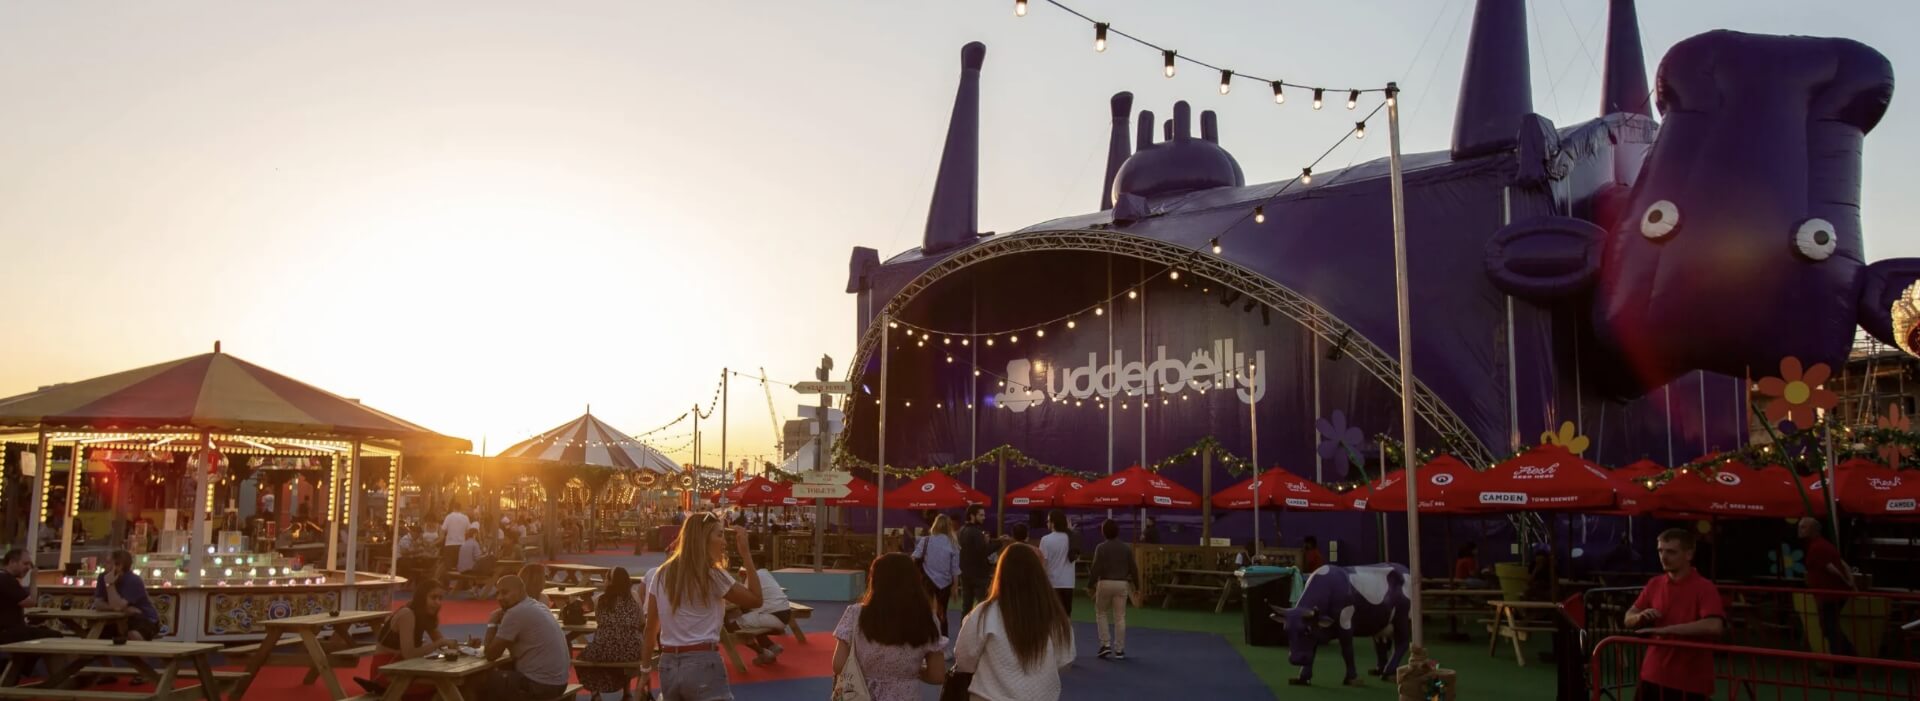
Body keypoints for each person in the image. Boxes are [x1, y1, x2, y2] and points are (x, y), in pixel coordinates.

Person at [641, 513, 763, 701]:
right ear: (704, 539)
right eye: (719, 535)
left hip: (668, 664)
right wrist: (746, 555)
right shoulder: (711, 575)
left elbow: (650, 628)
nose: (724, 542)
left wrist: (645, 669)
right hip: (702, 661)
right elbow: (756, 599)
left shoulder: (660, 574)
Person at [953, 544, 1075, 701]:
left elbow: (964, 659)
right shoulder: (1055, 616)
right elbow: (1065, 659)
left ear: (1001, 574)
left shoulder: (985, 613)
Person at [1624, 528, 1726, 701]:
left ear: (1688, 554)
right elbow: (1628, 617)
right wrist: (1639, 618)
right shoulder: (1655, 583)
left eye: (1671, 552)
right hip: (1652, 674)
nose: (1663, 557)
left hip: (1689, 679)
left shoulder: (1704, 587)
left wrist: (1667, 630)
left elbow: (1714, 625)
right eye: (1660, 551)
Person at [832, 553, 947, 701]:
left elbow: (838, 665)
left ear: (875, 580)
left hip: (860, 693)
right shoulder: (927, 618)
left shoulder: (855, 614)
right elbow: (937, 675)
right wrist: (911, 672)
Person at [360, 578, 460, 699]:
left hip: (405, 668)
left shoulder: (426, 615)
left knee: (462, 683)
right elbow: (409, 653)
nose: (438, 603)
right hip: (386, 672)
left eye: (440, 598)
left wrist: (465, 646)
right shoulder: (407, 614)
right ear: (422, 597)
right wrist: (439, 643)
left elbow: (444, 644)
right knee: (447, 687)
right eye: (433, 598)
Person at [478, 576, 571, 701]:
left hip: (540, 685)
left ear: (521, 590)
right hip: (560, 683)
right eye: (497, 593)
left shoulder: (516, 612)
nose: (499, 597)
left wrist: (492, 623)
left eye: (505, 592)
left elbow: (490, 654)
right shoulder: (538, 605)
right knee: (501, 673)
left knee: (479, 681)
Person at [578, 567, 646, 700]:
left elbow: (600, 622)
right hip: (631, 650)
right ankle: (627, 692)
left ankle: (595, 693)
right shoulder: (634, 596)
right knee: (628, 643)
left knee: (581, 658)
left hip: (605, 649)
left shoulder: (600, 599)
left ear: (610, 582)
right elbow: (641, 622)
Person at [1798, 517, 1859, 660]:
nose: (1800, 530)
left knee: (1830, 628)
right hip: (1830, 593)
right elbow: (1841, 564)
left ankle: (1844, 660)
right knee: (1830, 627)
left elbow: (1832, 568)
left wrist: (1848, 583)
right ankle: (1846, 659)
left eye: (1803, 527)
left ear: (1813, 530)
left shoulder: (1817, 547)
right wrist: (1850, 583)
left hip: (1829, 594)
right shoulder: (1823, 545)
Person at [0, 549, 62, 677]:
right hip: (8, 632)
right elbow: (30, 602)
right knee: (54, 635)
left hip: (6, 630)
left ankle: (20, 667)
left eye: (30, 565)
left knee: (40, 632)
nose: (28, 568)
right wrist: (34, 579)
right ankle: (58, 676)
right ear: (12, 562)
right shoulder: (7, 580)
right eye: (25, 563)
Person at [1088, 519, 1139, 660]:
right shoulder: (1126, 548)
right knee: (1120, 617)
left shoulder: (1101, 547)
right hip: (1122, 584)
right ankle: (1120, 649)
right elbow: (1133, 569)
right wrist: (1138, 587)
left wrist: (1090, 584)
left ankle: (1105, 644)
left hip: (1104, 582)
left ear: (1103, 532)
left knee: (1101, 612)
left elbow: (1095, 568)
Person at [724, 567, 792, 666]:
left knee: (730, 629)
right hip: (784, 613)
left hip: (773, 615)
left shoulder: (751, 580)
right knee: (750, 620)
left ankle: (762, 653)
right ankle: (770, 646)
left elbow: (743, 600)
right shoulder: (765, 573)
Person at [93, 550, 160, 641]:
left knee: (133, 635)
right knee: (96, 634)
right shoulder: (103, 577)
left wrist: (110, 584)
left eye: (108, 562)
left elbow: (117, 605)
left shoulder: (133, 581)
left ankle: (145, 655)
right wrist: (123, 609)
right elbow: (98, 603)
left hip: (144, 618)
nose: (104, 565)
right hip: (117, 618)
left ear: (119, 566)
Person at [913, 514, 962, 637]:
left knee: (927, 610)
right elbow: (955, 569)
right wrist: (955, 587)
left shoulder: (926, 540)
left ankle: (925, 637)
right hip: (945, 582)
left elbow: (914, 557)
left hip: (927, 579)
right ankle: (943, 640)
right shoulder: (953, 544)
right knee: (942, 612)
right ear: (949, 527)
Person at [957, 505, 996, 620]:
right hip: (979, 575)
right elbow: (983, 551)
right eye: (981, 515)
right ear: (972, 516)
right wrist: (999, 543)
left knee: (966, 606)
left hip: (965, 573)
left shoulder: (961, 531)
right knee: (982, 607)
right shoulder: (976, 532)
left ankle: (963, 632)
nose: (984, 517)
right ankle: (979, 634)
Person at [1038, 509, 1078, 615]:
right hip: (1068, 583)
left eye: (1048, 521)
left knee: (1052, 615)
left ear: (1053, 523)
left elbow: (1043, 562)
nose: (1047, 523)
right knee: (1066, 615)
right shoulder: (1071, 538)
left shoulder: (1045, 540)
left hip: (1052, 582)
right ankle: (1067, 632)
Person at [440, 502, 471, 580]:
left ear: (453, 507)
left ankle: (448, 583)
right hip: (461, 544)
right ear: (460, 508)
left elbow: (443, 530)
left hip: (450, 544)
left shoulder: (449, 517)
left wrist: (441, 539)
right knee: (460, 566)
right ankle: (460, 584)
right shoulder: (465, 517)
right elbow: (468, 532)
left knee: (448, 566)